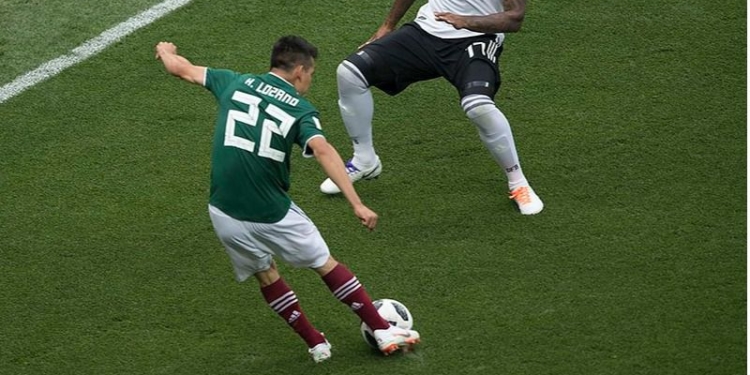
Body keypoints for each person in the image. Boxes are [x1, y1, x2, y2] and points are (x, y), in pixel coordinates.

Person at [155, 36, 420, 363]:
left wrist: (166, 51)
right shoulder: (299, 109)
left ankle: (316, 344)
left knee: (265, 274)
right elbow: (323, 150)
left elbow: (180, 69)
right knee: (324, 264)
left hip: (222, 209)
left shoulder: (234, 82)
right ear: (298, 71)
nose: (309, 79)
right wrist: (356, 202)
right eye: (310, 73)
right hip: (270, 210)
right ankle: (382, 329)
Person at [319, 0, 544, 215]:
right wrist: (388, 25)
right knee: (349, 74)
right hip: (427, 31)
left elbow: (515, 19)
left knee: (478, 107)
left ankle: (518, 183)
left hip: (477, 38)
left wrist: (466, 21)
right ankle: (364, 160)